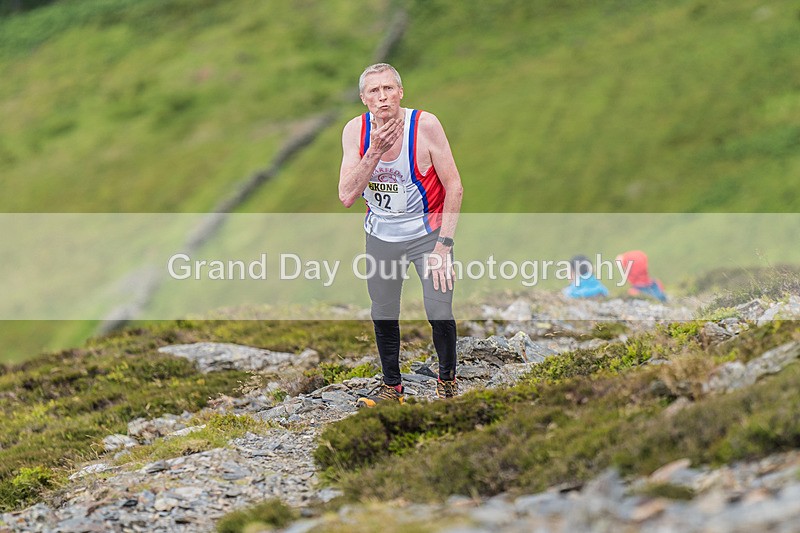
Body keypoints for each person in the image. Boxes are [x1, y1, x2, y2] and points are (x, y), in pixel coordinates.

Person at [338, 63, 464, 406]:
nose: (383, 97)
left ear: (400, 92)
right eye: (374, 91)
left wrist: (444, 247)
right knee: (383, 311)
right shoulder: (355, 131)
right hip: (381, 235)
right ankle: (392, 388)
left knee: (439, 308)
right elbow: (347, 195)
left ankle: (447, 381)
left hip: (428, 234)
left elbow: (454, 186)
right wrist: (374, 151)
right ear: (364, 99)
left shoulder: (425, 126)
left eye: (389, 89)